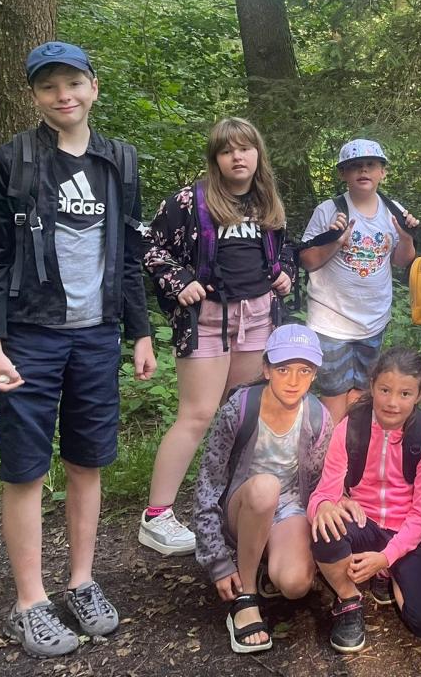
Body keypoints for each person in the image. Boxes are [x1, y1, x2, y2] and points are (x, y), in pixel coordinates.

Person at [0, 41, 156, 657]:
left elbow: (129, 253)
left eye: (74, 83)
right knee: (26, 467)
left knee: (87, 460)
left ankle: (81, 582)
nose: (64, 95)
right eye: (49, 86)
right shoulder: (13, 160)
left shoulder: (120, 160)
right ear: (34, 95)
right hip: (29, 334)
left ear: (93, 87)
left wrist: (139, 331)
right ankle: (29, 602)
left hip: (97, 334)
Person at [140, 117, 296, 556]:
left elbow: (283, 249)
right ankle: (156, 516)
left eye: (244, 148)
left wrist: (284, 273)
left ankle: (232, 504)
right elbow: (150, 246)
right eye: (227, 151)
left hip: (257, 317)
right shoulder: (190, 201)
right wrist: (179, 281)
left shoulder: (267, 201)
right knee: (197, 414)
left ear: (258, 154)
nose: (237, 157)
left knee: (240, 413)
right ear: (216, 159)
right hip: (207, 318)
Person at [193, 324, 330, 654]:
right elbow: (208, 483)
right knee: (266, 488)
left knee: (295, 585)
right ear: (266, 369)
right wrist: (217, 561)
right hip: (244, 505)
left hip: (289, 508)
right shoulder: (239, 410)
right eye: (283, 369)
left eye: (304, 370)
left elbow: (319, 486)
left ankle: (267, 558)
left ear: (314, 375)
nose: (293, 380)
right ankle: (246, 596)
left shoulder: (318, 417)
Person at [309, 347, 421, 653]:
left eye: (405, 393)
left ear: (419, 395)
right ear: (371, 386)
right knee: (325, 528)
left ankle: (387, 572)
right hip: (363, 522)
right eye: (385, 390)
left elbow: (420, 514)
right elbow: (324, 492)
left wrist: (387, 557)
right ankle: (348, 599)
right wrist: (325, 505)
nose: (392, 402)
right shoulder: (350, 427)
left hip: (404, 530)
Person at [300, 139, 419, 421]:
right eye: (355, 166)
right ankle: (331, 448)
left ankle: (353, 444)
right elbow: (307, 260)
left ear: (382, 172)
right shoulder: (329, 211)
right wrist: (335, 240)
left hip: (373, 321)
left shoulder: (393, 210)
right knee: (333, 396)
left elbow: (401, 260)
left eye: (370, 165)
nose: (363, 170)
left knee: (363, 394)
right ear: (343, 173)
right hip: (331, 322)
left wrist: (406, 237)